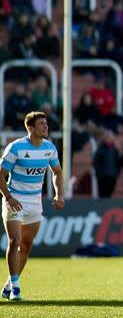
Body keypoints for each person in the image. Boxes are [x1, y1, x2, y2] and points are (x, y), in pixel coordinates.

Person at [1, 112, 65, 301]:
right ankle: (16, 289)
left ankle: (8, 284)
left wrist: (59, 194)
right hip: (15, 201)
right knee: (14, 242)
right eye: (41, 124)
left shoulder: (49, 148)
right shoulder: (16, 148)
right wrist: (8, 197)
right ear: (30, 127)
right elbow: (1, 174)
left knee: (26, 247)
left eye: (46, 124)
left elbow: (57, 173)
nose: (46, 127)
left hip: (34, 203)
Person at [93, 131, 120, 198]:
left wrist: (116, 173)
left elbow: (117, 162)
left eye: (111, 137)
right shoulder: (100, 149)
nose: (110, 139)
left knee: (109, 193)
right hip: (103, 176)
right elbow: (96, 162)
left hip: (112, 176)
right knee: (103, 194)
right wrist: (99, 173)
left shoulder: (115, 149)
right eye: (108, 137)